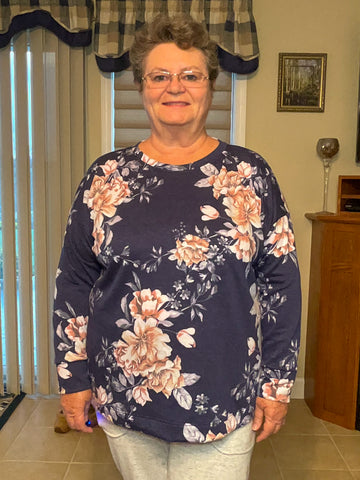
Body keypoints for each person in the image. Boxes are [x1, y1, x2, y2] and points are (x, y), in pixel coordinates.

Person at [53, 13, 301, 480]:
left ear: (210, 85)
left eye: (190, 76)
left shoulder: (249, 175)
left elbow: (281, 285)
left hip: (223, 395)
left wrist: (277, 384)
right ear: (140, 86)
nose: (175, 88)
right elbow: (74, 282)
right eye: (160, 76)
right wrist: (74, 377)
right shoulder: (106, 177)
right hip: (126, 394)